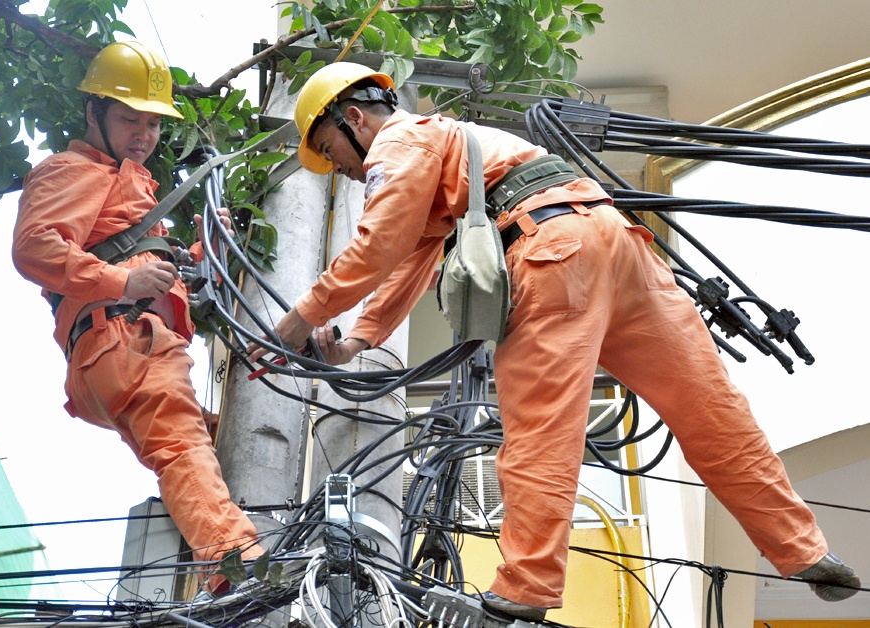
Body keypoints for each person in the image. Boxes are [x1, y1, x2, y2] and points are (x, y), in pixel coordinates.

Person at [247, 61, 861, 619]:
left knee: (541, 430)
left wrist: (296, 320)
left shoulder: (399, 142)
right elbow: (410, 260)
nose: (347, 171)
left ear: (355, 118)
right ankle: (801, 550)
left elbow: (378, 244)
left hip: (552, 254)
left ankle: (525, 590)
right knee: (712, 410)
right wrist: (356, 342)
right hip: (621, 247)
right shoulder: (456, 143)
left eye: (335, 152)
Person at [12, 40, 262, 596]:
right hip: (124, 338)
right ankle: (237, 566)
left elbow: (141, 262)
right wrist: (122, 283)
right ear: (93, 111)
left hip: (117, 351)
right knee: (182, 448)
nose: (144, 136)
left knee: (217, 442)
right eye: (130, 119)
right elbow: (34, 248)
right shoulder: (74, 169)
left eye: (153, 124)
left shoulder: (127, 184)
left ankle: (224, 558)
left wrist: (201, 252)